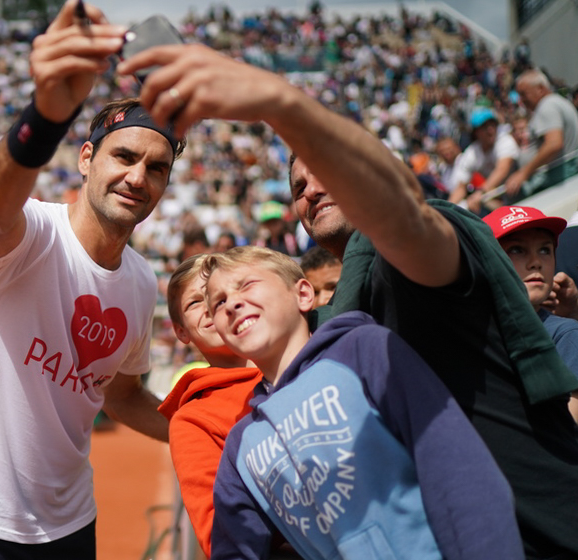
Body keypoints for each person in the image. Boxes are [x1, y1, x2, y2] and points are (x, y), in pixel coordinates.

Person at [118, 42, 578, 558]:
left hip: (543, 526)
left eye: (324, 169)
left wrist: (282, 104)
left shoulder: (418, 248)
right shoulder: (326, 343)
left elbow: (403, 215)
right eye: (298, 187)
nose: (311, 190)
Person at [0, 2, 184, 557]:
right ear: (88, 158)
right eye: (124, 156)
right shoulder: (31, 232)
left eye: (156, 168)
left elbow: (123, 397)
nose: (137, 177)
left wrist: (213, 435)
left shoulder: (141, 284)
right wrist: (44, 116)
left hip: (72, 526)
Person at [201, 246, 522, 560]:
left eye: (246, 285)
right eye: (219, 303)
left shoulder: (364, 350)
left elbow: (461, 472)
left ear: (302, 295)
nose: (232, 304)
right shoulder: (241, 445)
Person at [157, 254, 262, 558]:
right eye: (194, 303)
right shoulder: (192, 419)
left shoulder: (303, 356)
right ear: (181, 332)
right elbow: (223, 533)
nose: (211, 306)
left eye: (218, 294)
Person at [482, 205, 578, 423]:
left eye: (545, 249)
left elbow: (568, 437)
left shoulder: (565, 334)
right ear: (483, 261)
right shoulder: (472, 336)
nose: (536, 261)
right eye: (516, 249)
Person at [506, 68, 578, 196]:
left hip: (558, 183)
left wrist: (524, 173)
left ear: (540, 88)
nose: (521, 100)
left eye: (524, 94)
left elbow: (554, 144)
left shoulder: (547, 105)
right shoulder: (556, 102)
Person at [447, 107, 519, 214]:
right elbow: (461, 186)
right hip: (502, 198)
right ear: (476, 132)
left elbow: (502, 169)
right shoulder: (472, 152)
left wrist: (481, 193)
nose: (490, 130)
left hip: (521, 192)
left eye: (492, 125)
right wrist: (447, 209)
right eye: (484, 127)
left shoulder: (505, 140)